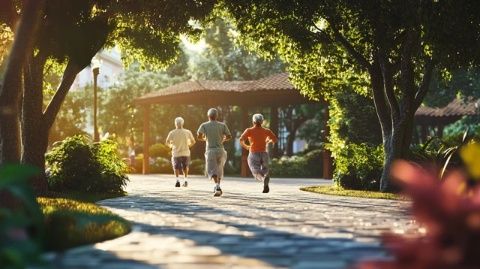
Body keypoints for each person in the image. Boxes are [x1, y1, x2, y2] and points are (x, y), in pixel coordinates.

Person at [197, 108, 232, 197]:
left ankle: (217, 187)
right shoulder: (222, 125)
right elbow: (229, 136)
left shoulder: (204, 125)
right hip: (221, 150)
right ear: (216, 116)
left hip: (210, 151)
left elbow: (199, 136)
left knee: (212, 170)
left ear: (208, 116)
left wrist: (205, 139)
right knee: (219, 169)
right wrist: (222, 140)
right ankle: (218, 185)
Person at [239, 113, 278, 193]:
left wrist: (246, 146)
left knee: (255, 170)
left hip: (253, 153)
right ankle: (265, 177)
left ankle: (263, 179)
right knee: (265, 169)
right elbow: (275, 139)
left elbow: (241, 139)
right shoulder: (267, 131)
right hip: (264, 153)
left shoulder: (249, 130)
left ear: (253, 122)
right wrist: (268, 141)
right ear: (262, 121)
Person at [166, 117, 196, 188]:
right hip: (186, 152)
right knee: (185, 167)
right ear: (183, 123)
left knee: (176, 167)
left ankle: (177, 181)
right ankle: (185, 180)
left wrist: (170, 146)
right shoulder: (187, 132)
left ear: (175, 124)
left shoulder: (172, 132)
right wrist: (188, 146)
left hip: (176, 153)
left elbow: (167, 142)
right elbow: (193, 141)